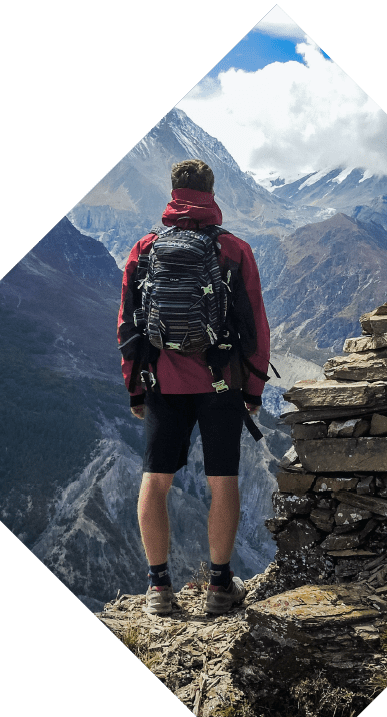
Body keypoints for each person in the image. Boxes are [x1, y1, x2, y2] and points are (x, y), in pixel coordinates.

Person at [117, 159, 270, 616]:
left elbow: (128, 326)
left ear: (172, 192)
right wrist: (254, 388)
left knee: (156, 480)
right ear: (212, 191)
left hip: (162, 380)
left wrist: (135, 389)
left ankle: (159, 589)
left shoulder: (144, 250)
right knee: (223, 481)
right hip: (221, 382)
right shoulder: (234, 250)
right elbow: (255, 325)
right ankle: (220, 587)